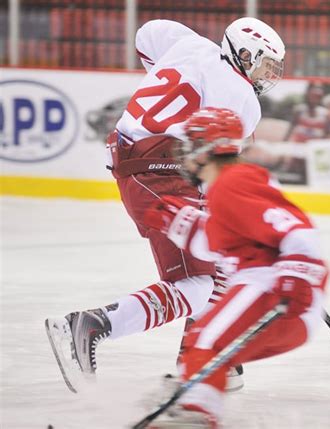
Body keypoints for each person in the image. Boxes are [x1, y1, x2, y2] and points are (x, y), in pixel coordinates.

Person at [44, 17, 285, 393]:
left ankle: (202, 357)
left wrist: (176, 76)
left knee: (219, 264)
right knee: (198, 282)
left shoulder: (189, 44)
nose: (266, 76)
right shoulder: (242, 98)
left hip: (146, 161)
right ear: (243, 53)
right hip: (160, 171)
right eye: (264, 64)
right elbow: (220, 167)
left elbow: (146, 36)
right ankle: (91, 325)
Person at [142, 107, 329, 428]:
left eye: (189, 145)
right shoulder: (227, 188)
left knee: (205, 341)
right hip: (276, 298)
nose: (184, 155)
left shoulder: (233, 183)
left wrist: (298, 279)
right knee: (205, 346)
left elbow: (298, 230)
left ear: (204, 149)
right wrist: (183, 224)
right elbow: (220, 242)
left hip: (271, 291)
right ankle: (196, 396)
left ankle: (196, 413)